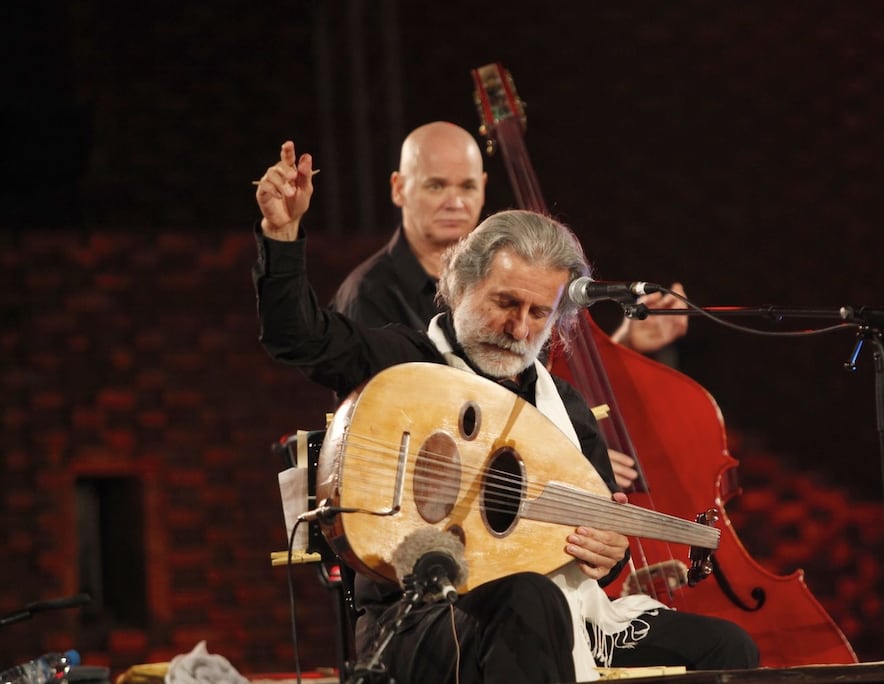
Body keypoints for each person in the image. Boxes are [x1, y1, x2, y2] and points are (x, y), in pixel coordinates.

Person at [253, 141, 759, 683]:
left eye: (540, 313)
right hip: (422, 618)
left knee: (726, 645)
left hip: (563, 616)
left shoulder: (564, 410)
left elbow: (600, 565)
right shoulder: (405, 364)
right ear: (460, 284)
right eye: (505, 303)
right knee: (529, 597)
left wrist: (607, 554)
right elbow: (299, 339)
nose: (520, 328)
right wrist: (282, 237)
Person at [330, 121, 689, 489]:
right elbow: (395, 423)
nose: (455, 202)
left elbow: (537, 386)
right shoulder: (369, 293)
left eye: (467, 186)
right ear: (399, 188)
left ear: (483, 188)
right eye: (436, 185)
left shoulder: (523, 281)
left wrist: (622, 345)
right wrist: (555, 457)